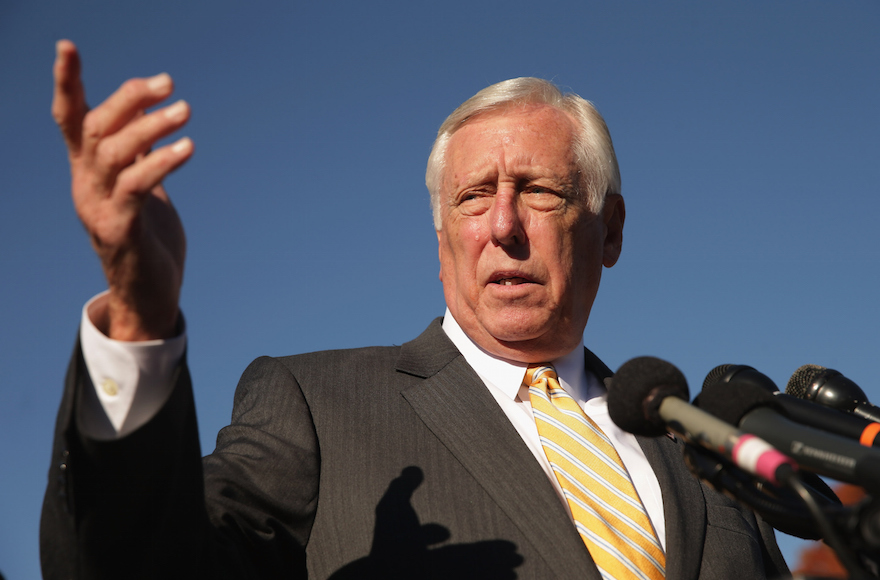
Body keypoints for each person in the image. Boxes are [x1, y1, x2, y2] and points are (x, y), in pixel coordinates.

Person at [41, 39, 789, 579]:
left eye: (538, 190)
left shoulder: (704, 449)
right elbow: (141, 563)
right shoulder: (318, 406)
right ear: (441, 244)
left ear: (611, 229)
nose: (503, 225)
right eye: (472, 198)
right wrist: (138, 322)